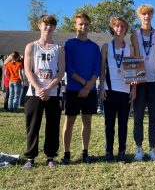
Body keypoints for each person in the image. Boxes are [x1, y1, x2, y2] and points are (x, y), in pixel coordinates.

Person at [22, 15, 65, 169]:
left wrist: (48, 88)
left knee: (53, 125)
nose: (48, 27)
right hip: (34, 93)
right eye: (45, 24)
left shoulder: (59, 48)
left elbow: (61, 72)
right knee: (33, 125)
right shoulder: (31, 46)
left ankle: (50, 156)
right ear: (39, 25)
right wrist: (40, 89)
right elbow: (28, 70)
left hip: (53, 93)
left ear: (54, 28)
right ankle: (30, 158)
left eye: (51, 25)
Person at [62, 13, 101, 164]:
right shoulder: (69, 44)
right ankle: (66, 154)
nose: (83, 27)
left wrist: (89, 85)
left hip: (90, 90)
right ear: (75, 25)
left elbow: (97, 68)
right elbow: (68, 67)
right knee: (70, 121)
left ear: (89, 25)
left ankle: (85, 152)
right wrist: (83, 82)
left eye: (86, 24)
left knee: (87, 120)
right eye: (80, 24)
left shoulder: (94, 47)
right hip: (73, 88)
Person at [100, 16, 136, 162]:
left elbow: (134, 70)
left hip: (125, 90)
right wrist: (101, 87)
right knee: (109, 122)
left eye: (122, 26)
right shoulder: (106, 47)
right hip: (110, 89)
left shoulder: (130, 48)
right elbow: (102, 69)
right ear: (112, 28)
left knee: (123, 123)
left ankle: (122, 151)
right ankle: (109, 151)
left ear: (126, 29)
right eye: (117, 26)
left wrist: (133, 89)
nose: (119, 28)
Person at [131, 4, 155, 162]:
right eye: (143, 14)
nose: (146, 16)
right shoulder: (135, 34)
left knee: (154, 117)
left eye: (149, 13)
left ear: (152, 16)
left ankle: (152, 148)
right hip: (140, 81)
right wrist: (134, 85)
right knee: (138, 116)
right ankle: (139, 148)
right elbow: (135, 57)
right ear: (139, 16)